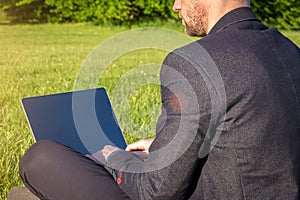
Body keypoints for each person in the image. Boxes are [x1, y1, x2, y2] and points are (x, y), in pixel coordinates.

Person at [18, 0, 300, 199]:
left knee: (40, 158)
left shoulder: (194, 62)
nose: (176, 6)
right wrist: (164, 147)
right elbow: (257, 134)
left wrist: (112, 156)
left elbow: (157, 191)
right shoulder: (290, 51)